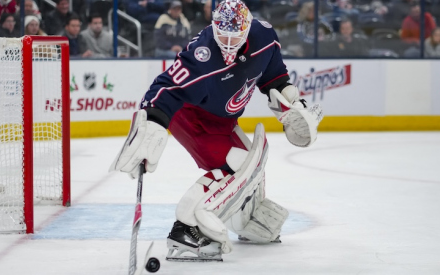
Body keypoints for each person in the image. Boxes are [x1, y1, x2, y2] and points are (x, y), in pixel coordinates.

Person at [109, 0, 323, 261]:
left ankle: (245, 222)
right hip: (190, 116)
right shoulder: (202, 54)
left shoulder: (265, 37)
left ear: (248, 28)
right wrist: (152, 122)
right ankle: (187, 229)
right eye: (222, 35)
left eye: (236, 36)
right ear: (213, 26)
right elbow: (165, 87)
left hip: (222, 121)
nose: (229, 44)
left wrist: (293, 105)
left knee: (252, 163)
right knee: (241, 163)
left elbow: (275, 77)